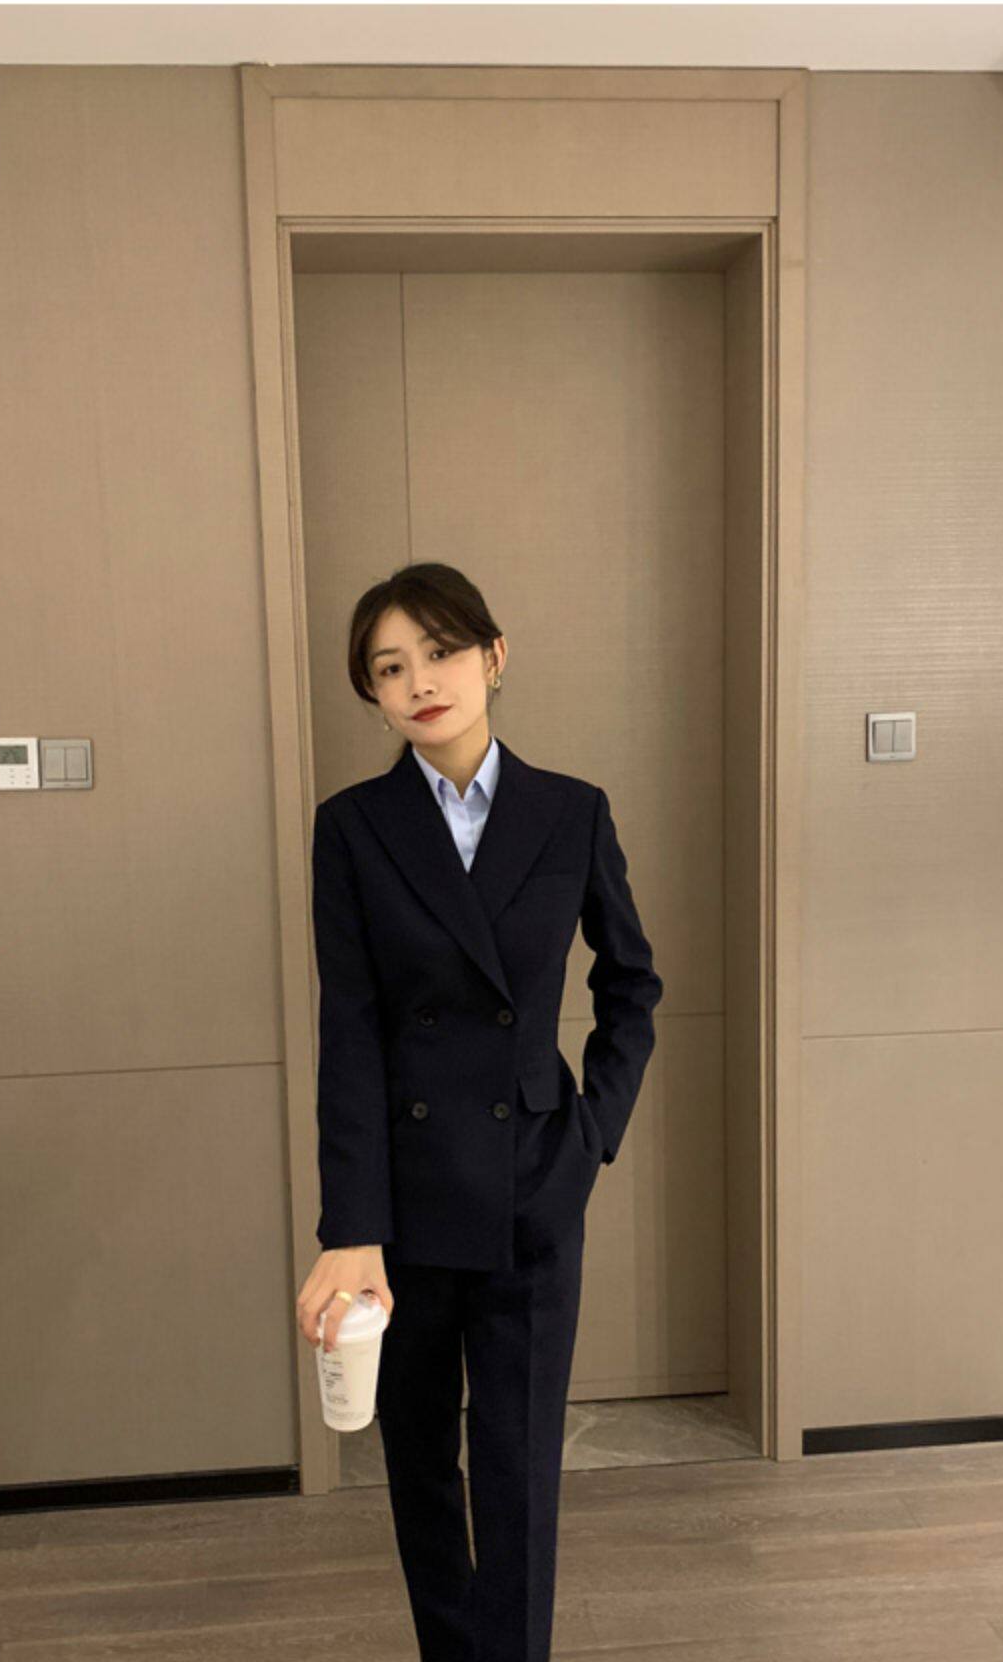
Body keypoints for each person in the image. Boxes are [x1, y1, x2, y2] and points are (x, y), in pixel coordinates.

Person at [295, 560, 664, 1662]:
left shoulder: (571, 811)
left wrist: (589, 1134)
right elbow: (352, 1032)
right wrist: (349, 1226)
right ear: (372, 694)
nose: (420, 682)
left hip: (532, 1188)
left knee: (519, 1467)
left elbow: (631, 985)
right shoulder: (352, 828)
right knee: (420, 1466)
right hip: (404, 1208)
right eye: (388, 668)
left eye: (442, 651)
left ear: (494, 658)